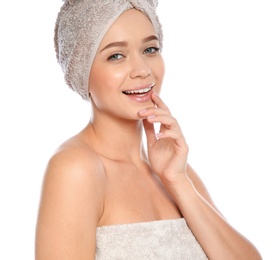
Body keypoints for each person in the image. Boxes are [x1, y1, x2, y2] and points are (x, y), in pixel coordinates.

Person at [35, 0, 262, 259]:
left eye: (150, 49)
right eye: (116, 55)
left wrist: (178, 182)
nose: (142, 70)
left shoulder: (175, 171)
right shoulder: (76, 168)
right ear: (81, 70)